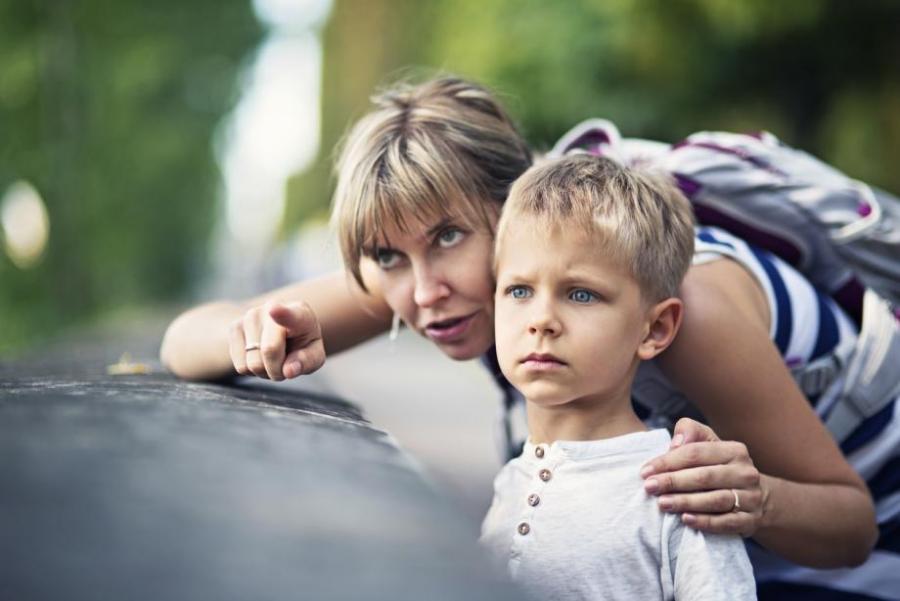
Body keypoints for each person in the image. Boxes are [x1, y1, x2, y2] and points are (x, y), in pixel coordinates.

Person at [160, 76, 886, 599]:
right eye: (387, 259)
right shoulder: (432, 273)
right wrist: (252, 334)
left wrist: (755, 499)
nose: (421, 293)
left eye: (448, 237)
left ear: (511, 209)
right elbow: (182, 341)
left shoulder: (685, 306)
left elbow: (851, 523)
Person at [479, 153, 756, 600]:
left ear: (655, 328)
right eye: (519, 290)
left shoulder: (677, 489)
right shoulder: (512, 478)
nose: (541, 319)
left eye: (581, 294)